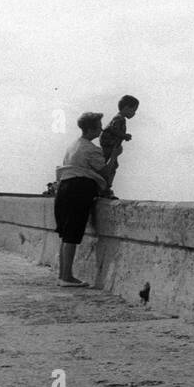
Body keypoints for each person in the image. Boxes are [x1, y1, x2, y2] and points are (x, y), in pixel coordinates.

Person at [54, 111, 116, 287]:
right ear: (90, 129)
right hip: (79, 189)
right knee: (72, 235)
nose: (101, 129)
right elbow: (105, 172)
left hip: (64, 188)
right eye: (98, 126)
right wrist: (115, 155)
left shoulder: (73, 145)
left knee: (66, 235)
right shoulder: (91, 148)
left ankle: (63, 275)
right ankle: (67, 277)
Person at [98, 94, 138, 199]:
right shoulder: (119, 118)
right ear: (126, 108)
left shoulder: (118, 118)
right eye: (133, 110)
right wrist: (124, 136)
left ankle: (105, 187)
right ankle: (104, 188)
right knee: (109, 167)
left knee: (112, 166)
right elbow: (113, 129)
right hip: (109, 146)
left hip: (110, 146)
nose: (134, 113)